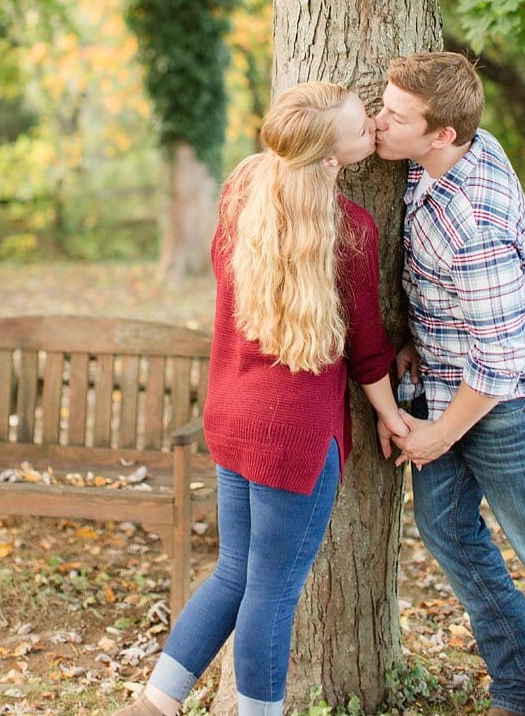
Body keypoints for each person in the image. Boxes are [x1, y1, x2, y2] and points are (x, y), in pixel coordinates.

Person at [115, 81, 411, 716]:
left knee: (233, 574)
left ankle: (156, 702)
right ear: (332, 161)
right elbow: (366, 350)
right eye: (363, 128)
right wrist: (393, 417)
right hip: (294, 438)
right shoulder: (351, 232)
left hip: (231, 414)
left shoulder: (241, 193)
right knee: (271, 593)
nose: (374, 131)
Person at [372, 52, 525, 716]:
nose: (378, 122)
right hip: (449, 377)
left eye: (395, 117)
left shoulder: (474, 224)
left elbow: (501, 356)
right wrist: (413, 341)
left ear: (441, 135)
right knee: (446, 527)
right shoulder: (440, 156)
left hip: (509, 403)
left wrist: (434, 435)